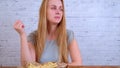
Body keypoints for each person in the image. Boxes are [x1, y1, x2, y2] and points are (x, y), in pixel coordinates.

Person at [13, 0, 82, 66]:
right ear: (44, 11)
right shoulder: (34, 36)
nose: (58, 12)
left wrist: (58, 66)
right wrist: (22, 35)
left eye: (61, 9)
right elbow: (28, 65)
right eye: (53, 8)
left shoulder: (68, 35)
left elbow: (78, 63)